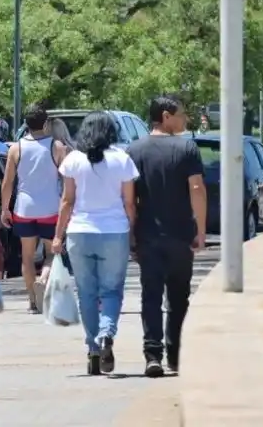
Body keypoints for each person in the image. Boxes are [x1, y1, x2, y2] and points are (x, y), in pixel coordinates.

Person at [53, 112, 138, 376]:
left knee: (87, 293)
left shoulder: (73, 160)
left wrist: (58, 235)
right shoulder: (122, 159)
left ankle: (92, 348)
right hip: (114, 232)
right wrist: (132, 230)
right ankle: (106, 334)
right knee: (111, 291)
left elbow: (67, 201)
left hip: (80, 232)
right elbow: (128, 202)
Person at [127, 95, 206, 377]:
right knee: (178, 298)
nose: (184, 119)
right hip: (180, 235)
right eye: (181, 114)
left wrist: (131, 236)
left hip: (147, 235)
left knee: (150, 296)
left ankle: (152, 355)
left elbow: (129, 199)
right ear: (165, 116)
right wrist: (201, 229)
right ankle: (176, 355)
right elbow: (196, 189)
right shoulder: (187, 148)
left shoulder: (134, 150)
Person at [0, 103, 68, 313]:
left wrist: (5, 209)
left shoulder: (15, 148)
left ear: (25, 124)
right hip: (50, 208)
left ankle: (32, 301)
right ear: (46, 124)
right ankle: (44, 279)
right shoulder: (57, 147)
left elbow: (7, 182)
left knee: (27, 256)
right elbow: (67, 180)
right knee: (52, 253)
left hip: (24, 209)